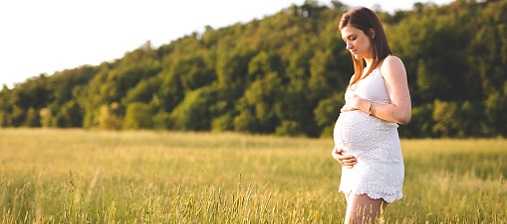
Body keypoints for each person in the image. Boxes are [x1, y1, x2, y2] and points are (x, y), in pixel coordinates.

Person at [331, 7, 412, 224]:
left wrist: (362, 103)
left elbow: (403, 113)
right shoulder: (356, 76)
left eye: (353, 38)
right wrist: (337, 151)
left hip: (378, 162)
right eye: (345, 41)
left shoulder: (390, 64)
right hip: (354, 166)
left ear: (372, 33)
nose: (348, 46)